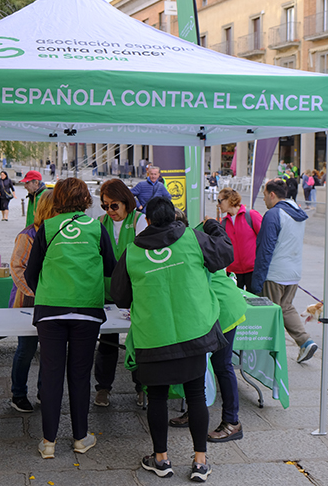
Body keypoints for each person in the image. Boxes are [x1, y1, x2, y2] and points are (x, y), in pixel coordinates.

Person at [111, 197, 233, 483]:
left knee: (157, 396)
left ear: (148, 221)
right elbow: (224, 254)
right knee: (196, 395)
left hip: (153, 336)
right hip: (192, 332)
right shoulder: (192, 238)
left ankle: (161, 459)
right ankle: (200, 462)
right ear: (174, 217)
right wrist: (214, 225)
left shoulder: (132, 252)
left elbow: (120, 296)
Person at [24, 178, 116, 459]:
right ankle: (80, 437)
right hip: (87, 311)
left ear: (59, 199)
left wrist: (50, 292)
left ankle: (48, 442)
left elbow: (30, 273)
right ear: (87, 199)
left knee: (50, 375)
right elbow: (111, 268)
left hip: (50, 311)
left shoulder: (48, 228)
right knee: (79, 375)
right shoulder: (97, 228)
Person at [168, 208, 247, 445]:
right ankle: (195, 412)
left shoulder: (191, 244)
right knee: (198, 364)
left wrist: (213, 223)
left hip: (223, 308)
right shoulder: (190, 240)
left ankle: (232, 422)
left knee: (222, 365)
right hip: (209, 310)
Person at [250, 178, 318, 364]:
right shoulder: (297, 212)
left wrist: (256, 281)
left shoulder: (273, 214)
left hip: (274, 273)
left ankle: (270, 356)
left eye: (264, 196)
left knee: (270, 313)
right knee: (286, 307)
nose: (263, 200)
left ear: (272, 195)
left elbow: (265, 249)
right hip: (293, 272)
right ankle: (305, 341)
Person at [93, 179, 147, 408]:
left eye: (114, 205)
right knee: (107, 342)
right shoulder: (100, 222)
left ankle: (141, 386)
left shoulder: (139, 220)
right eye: (105, 206)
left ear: (126, 201)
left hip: (133, 293)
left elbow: (145, 256)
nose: (109, 211)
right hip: (106, 292)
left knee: (139, 341)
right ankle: (103, 388)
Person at [8, 190, 55, 413]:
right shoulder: (28, 235)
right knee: (26, 349)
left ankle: (44, 393)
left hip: (51, 301)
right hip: (28, 301)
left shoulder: (59, 233)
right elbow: (17, 269)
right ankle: (18, 394)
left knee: (49, 350)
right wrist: (38, 292)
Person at [216, 188, 262, 290]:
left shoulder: (251, 215)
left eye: (220, 201)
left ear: (229, 199)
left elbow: (264, 238)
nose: (218, 205)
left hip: (252, 269)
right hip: (233, 272)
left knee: (254, 301)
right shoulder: (223, 223)